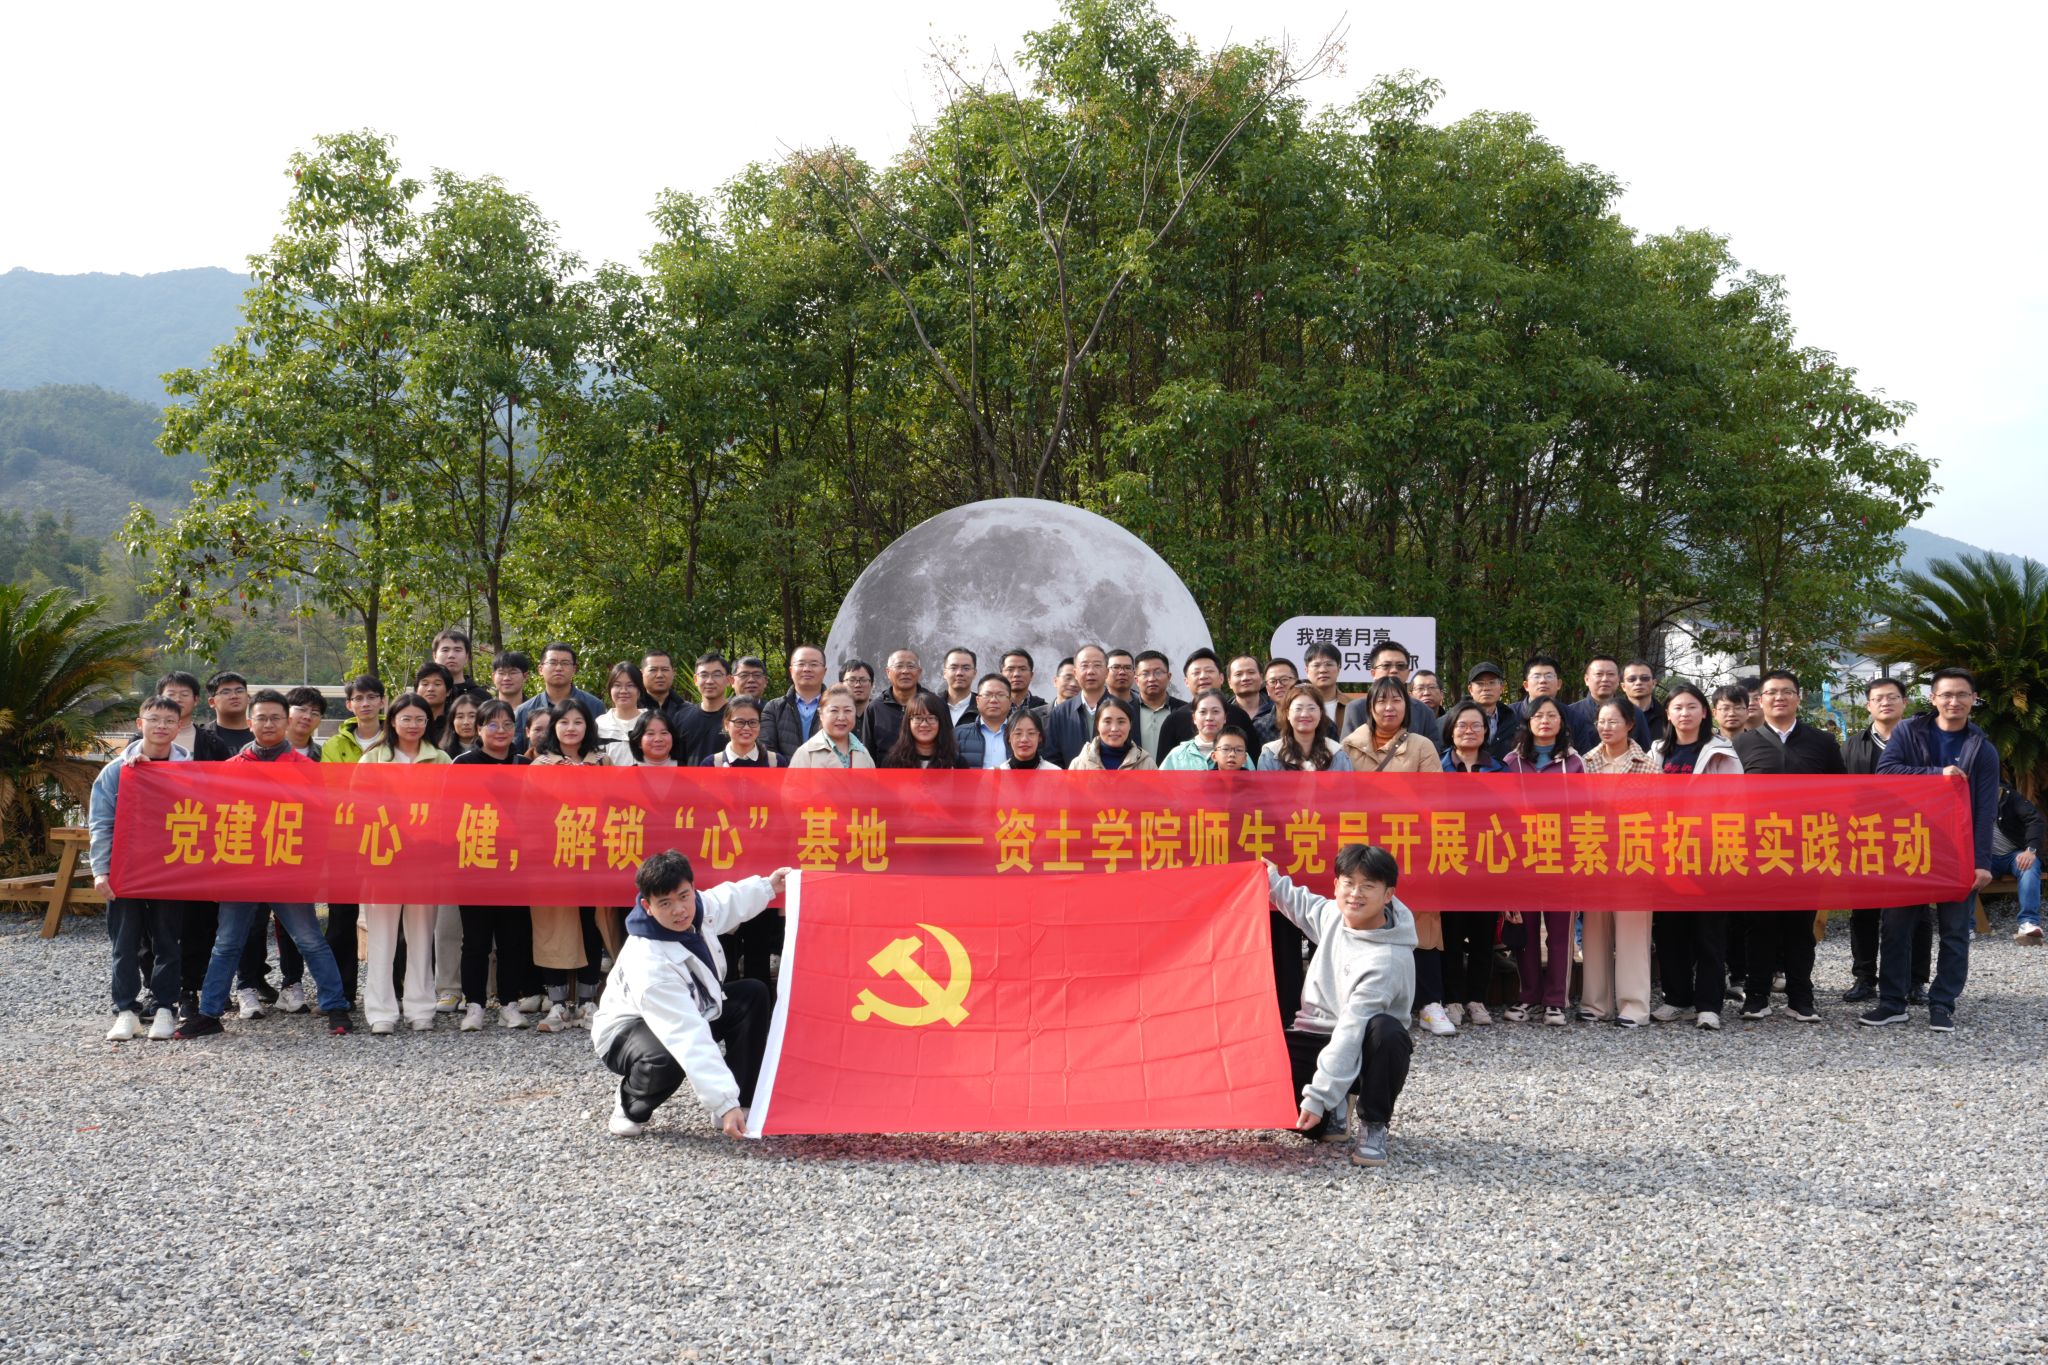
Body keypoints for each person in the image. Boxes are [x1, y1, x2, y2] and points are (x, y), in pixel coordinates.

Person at [177, 690, 355, 1039]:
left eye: (275, 717)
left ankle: (336, 1006)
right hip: (242, 870)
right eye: (261, 717)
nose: (269, 724)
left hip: (288, 868)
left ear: (287, 722)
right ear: (250, 722)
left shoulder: (307, 770)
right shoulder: (231, 769)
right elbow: (213, 817)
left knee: (310, 940)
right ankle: (209, 1013)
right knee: (227, 943)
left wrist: (312, 868)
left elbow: (320, 822)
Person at [591, 851, 791, 1139]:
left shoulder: (697, 907)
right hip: (626, 1032)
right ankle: (630, 1104)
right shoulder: (649, 962)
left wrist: (769, 886)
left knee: (752, 994)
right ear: (647, 906)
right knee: (668, 1056)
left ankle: (742, 1101)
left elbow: (727, 900)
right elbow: (686, 1035)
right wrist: (723, 1102)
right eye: (665, 903)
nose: (679, 910)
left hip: (691, 1008)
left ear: (693, 889)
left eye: (684, 896)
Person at [1266, 846, 1417, 1168]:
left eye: (1368, 886)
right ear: (1336, 885)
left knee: (1387, 1032)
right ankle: (1336, 1104)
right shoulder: (1334, 915)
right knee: (1285, 1109)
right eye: (1349, 883)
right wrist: (1268, 878)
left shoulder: (1387, 960)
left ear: (1388, 894)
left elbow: (1351, 1030)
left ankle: (1374, 1124)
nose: (1355, 894)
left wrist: (1318, 1096)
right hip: (1315, 1034)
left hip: (1364, 1045)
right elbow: (1298, 902)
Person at [1867, 667, 1999, 1032]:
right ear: (1933, 698)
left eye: (1962, 694)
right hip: (1908, 844)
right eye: (1946, 694)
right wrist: (1936, 774)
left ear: (1974, 699)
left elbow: (1985, 809)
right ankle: (1892, 1002)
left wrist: (1982, 862)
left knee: (1955, 932)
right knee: (1895, 927)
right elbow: (1886, 772)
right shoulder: (1909, 731)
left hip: (1957, 850)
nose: (1954, 701)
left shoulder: (1983, 749)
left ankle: (1942, 1004)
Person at [1731, 670, 1843, 1023]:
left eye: (1787, 692)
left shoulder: (1822, 742)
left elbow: (1841, 794)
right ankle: (1757, 996)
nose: (1779, 698)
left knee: (1800, 926)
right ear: (1760, 700)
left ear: (1799, 697)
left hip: (1807, 847)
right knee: (1759, 925)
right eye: (1772, 692)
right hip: (1757, 849)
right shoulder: (1742, 745)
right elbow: (1726, 799)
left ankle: (1801, 997)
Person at [1341, 677, 1451, 1035]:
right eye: (1381, 701)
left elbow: (1436, 798)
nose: (1389, 708)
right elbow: (1338, 799)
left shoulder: (1421, 746)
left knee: (1423, 922)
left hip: (1412, 845)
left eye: (1396, 701)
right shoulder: (1348, 746)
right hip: (1364, 851)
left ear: (1408, 706)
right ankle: (1365, 1002)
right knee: (1365, 919)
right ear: (1369, 707)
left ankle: (1430, 1003)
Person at [90, 695, 190, 1042]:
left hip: (171, 870)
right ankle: (126, 1011)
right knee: (125, 942)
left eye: (169, 721)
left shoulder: (191, 771)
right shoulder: (116, 771)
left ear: (179, 726)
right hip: (125, 870)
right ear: (139, 723)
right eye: (154, 719)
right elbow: (101, 824)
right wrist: (100, 870)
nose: (161, 726)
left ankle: (164, 1007)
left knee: (168, 940)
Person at [1646, 683, 1742, 1031]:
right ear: (1668, 714)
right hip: (1666, 853)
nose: (1684, 713)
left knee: (1708, 932)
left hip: (1708, 853)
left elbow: (1735, 804)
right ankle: (1677, 999)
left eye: (1691, 707)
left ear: (1704, 712)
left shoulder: (1721, 752)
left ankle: (1709, 1005)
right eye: (1677, 707)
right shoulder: (1656, 752)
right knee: (1670, 931)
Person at [355, 693, 451, 1034]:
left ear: (428, 723)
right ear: (392, 721)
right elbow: (358, 808)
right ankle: (380, 1011)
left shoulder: (440, 758)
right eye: (406, 718)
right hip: (383, 858)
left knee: (422, 935)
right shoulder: (372, 759)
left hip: (425, 859)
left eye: (420, 719)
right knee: (381, 936)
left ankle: (420, 1008)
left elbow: (451, 807)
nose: (413, 725)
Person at [1840, 676, 1931, 1002]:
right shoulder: (1852, 745)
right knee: (1864, 911)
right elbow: (1837, 793)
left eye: (1892, 697)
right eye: (1878, 698)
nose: (1885, 703)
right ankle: (1865, 977)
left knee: (1917, 912)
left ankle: (1916, 981)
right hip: (1863, 837)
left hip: (1911, 836)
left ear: (1904, 702)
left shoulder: (1922, 743)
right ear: (1868, 705)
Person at [1499, 695, 1585, 1026]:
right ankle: (1529, 996)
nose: (1545, 721)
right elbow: (1500, 812)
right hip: (1521, 858)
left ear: (1562, 723)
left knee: (1560, 932)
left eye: (1552, 716)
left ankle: (1556, 1001)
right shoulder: (1510, 762)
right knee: (1526, 928)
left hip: (1562, 859)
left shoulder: (1574, 762)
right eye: (1538, 716)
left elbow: (1585, 812)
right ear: (1528, 722)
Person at [528, 698, 611, 1031]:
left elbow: (614, 807)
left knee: (592, 923)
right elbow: (530, 813)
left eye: (578, 722)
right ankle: (558, 1004)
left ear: (588, 726)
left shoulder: (602, 762)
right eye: (564, 722)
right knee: (553, 926)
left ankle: (588, 1002)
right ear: (554, 727)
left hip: (594, 856)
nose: (571, 728)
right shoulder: (541, 765)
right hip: (553, 858)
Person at [453, 700, 536, 1030]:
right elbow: (448, 812)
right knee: (475, 940)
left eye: (507, 725)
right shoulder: (463, 764)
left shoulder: (525, 765)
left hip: (515, 865)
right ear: (478, 729)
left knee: (512, 939)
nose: (500, 731)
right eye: (492, 724)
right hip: (474, 862)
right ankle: (474, 1004)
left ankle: (508, 1003)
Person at [1580, 696, 1658, 1028]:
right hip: (1595, 855)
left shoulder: (1648, 765)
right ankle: (1595, 1004)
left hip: (1634, 857)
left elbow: (1660, 815)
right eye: (1601, 721)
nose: (1606, 727)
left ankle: (1634, 1006)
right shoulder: (1585, 762)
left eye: (1613, 721)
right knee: (1594, 932)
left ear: (1630, 724)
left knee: (1632, 934)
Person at [1437, 701, 1504, 1027]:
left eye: (1477, 725)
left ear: (1486, 731)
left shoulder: (1500, 769)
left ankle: (1476, 999)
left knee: (1482, 936)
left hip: (1487, 863)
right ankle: (1452, 999)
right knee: (1450, 936)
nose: (1469, 731)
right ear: (1450, 730)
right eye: (1462, 725)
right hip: (1448, 860)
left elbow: (1511, 816)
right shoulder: (1437, 767)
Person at [1340, 641, 1440, 749]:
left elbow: (1433, 752)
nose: (1394, 670)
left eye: (1400, 666)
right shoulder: (1356, 709)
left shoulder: (1424, 712)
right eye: (1386, 665)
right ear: (1373, 673)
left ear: (1408, 673)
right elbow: (1347, 752)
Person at [1155, 649, 1256, 755]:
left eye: (1209, 671)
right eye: (1196, 673)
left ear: (1221, 678)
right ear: (1186, 682)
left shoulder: (1240, 717)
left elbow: (1253, 759)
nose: (1203, 676)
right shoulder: (1174, 720)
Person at [515, 642, 604, 753]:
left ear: (574, 669)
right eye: (552, 662)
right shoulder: (524, 710)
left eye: (565, 663)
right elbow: (518, 754)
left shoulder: (594, 705)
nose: (559, 668)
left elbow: (599, 749)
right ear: (540, 669)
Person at [1994, 772, 2044, 944]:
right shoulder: (1966, 797)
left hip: (2013, 854)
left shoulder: (2009, 796)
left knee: (2030, 866)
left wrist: (2030, 850)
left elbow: (2035, 820)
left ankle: (2028, 923)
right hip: (1984, 858)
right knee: (1965, 869)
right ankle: (1966, 926)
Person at [1564, 656, 1651, 754]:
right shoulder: (1570, 713)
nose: (1605, 679)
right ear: (1586, 679)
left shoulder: (1634, 712)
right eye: (1599, 674)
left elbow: (1645, 752)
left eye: (1610, 674)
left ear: (1618, 680)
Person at [856, 649, 933, 759]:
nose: (905, 671)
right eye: (899, 666)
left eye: (911, 666)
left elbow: (945, 746)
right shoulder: (875, 708)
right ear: (888, 672)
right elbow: (868, 753)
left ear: (919, 672)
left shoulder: (934, 705)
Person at [1259, 685, 1352, 771]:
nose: (1304, 714)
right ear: (1287, 714)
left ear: (1320, 713)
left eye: (1311, 708)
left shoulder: (1337, 754)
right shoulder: (1270, 754)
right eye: (1298, 709)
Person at [1045, 645, 1110, 767]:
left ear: (1107, 672)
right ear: (1075, 673)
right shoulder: (1060, 712)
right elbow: (1052, 758)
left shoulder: (1123, 709)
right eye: (1084, 666)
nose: (1090, 671)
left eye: (1097, 665)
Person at [762, 644, 827, 758]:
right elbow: (766, 748)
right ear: (791, 670)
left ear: (824, 671)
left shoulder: (837, 707)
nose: (807, 669)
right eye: (801, 664)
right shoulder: (774, 708)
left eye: (814, 664)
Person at [788, 684, 875, 769]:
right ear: (821, 714)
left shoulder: (864, 754)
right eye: (834, 710)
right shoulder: (805, 754)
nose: (841, 717)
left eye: (847, 710)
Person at [884, 692, 971, 769]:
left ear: (941, 722)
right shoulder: (893, 762)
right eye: (918, 718)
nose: (924, 724)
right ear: (908, 722)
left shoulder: (956, 763)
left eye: (931, 718)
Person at [1067, 696, 1156, 771]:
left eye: (1121, 722)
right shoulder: (1079, 765)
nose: (1114, 729)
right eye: (1107, 721)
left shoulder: (1147, 765)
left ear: (1130, 725)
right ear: (1097, 725)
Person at [676, 652, 734, 763]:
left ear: (728, 680)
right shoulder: (681, 717)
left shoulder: (738, 718)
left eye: (717, 675)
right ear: (695, 680)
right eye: (704, 675)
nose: (709, 681)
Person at [1129, 650, 1186, 756]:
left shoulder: (1186, 711)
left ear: (1169, 677)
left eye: (1158, 672)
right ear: (1136, 680)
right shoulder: (1126, 712)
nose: (1152, 679)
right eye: (1145, 674)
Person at [1160, 689, 1232, 770]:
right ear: (1194, 718)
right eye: (1203, 712)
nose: (1209, 718)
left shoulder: (1238, 754)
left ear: (1225, 717)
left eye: (1215, 711)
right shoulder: (1177, 755)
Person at [1463, 662, 1521, 760]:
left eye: (1492, 683)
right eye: (1480, 683)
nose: (1486, 688)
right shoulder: (1455, 720)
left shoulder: (1512, 721)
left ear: (1501, 688)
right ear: (1470, 689)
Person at [703, 695, 781, 767]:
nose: (746, 728)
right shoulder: (711, 764)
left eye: (752, 722)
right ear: (726, 724)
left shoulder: (776, 762)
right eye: (740, 722)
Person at [955, 673, 1013, 768]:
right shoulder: (958, 734)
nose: (993, 700)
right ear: (977, 701)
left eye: (1000, 695)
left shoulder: (1021, 735)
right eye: (987, 695)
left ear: (1010, 702)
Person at [193, 671, 253, 760]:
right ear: (212, 702)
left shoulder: (264, 732)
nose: (234, 696)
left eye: (239, 691)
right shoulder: (200, 736)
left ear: (248, 698)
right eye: (226, 692)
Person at [432, 627, 492, 705]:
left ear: (467, 657)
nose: (451, 655)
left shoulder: (483, 698)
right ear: (434, 656)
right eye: (445, 650)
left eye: (457, 650)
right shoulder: (426, 694)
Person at [596, 661, 647, 751]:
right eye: (617, 685)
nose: (623, 691)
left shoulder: (652, 721)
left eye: (630, 685)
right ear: (610, 689)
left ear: (639, 690)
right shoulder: (599, 724)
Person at [640, 649, 692, 732]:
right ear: (641, 673)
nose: (659, 675)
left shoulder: (688, 710)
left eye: (665, 669)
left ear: (673, 673)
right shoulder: (632, 708)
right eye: (653, 670)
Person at [1301, 642, 1346, 731]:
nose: (1323, 670)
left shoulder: (1352, 706)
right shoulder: (1295, 706)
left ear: (1338, 668)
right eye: (1316, 665)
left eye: (1329, 664)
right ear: (1306, 670)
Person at [617, 708, 683, 767]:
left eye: (664, 733)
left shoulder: (687, 771)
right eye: (650, 733)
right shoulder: (628, 775)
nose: (658, 739)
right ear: (639, 742)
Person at [1255, 658, 1299, 743]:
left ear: (1297, 683)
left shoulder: (1314, 719)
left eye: (1284, 679)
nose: (1278, 685)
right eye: (1272, 681)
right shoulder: (1259, 727)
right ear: (1267, 689)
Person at [412, 662, 454, 749]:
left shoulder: (454, 724)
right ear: (416, 690)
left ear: (448, 691)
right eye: (425, 684)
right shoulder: (408, 722)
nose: (430, 689)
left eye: (437, 684)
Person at [1621, 660, 1664, 739]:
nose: (1638, 682)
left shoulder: (1667, 715)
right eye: (1631, 679)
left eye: (1645, 678)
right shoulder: (1614, 715)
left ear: (1654, 683)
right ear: (1623, 686)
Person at [999, 649, 1050, 716]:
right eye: (1010, 669)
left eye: (1022, 669)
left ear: (1031, 675)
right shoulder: (991, 707)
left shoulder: (1045, 710)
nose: (1016, 674)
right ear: (1001, 676)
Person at [283, 686, 327, 760]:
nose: (307, 717)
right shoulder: (267, 751)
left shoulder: (324, 755)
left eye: (315, 713)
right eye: (302, 710)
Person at [940, 648, 978, 726]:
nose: (959, 673)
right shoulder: (931, 705)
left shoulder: (983, 707)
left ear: (974, 673)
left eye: (966, 668)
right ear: (944, 673)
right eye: (953, 668)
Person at [490, 649, 533, 714]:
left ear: (525, 676)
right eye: (501, 673)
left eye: (513, 673)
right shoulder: (485, 712)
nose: (506, 678)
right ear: (493, 677)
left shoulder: (536, 711)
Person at [442, 692, 481, 758]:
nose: (466, 722)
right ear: (452, 721)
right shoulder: (443, 754)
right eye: (460, 717)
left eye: (472, 716)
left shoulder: (492, 751)